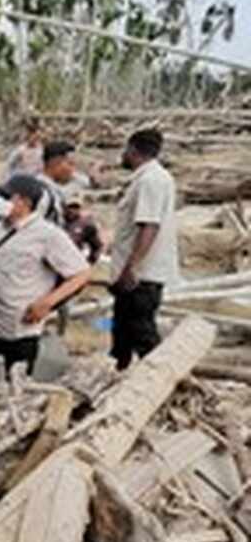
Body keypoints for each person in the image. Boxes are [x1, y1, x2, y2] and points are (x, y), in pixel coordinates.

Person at [0, 174, 91, 435]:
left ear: (25, 202)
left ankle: (11, 430)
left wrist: (47, 303)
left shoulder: (48, 236)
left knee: (16, 382)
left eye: (7, 197)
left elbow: (80, 274)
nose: (1, 202)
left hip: (22, 325)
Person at [110, 128, 178, 370]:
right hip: (134, 272)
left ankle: (161, 379)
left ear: (132, 150)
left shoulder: (151, 180)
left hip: (141, 276)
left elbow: (149, 225)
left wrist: (132, 267)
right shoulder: (150, 178)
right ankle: (119, 375)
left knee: (142, 333)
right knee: (123, 334)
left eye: (125, 150)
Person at [64, 192, 104, 264]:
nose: (72, 210)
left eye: (76, 207)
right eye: (70, 207)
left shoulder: (86, 225)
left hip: (73, 263)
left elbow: (97, 246)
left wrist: (89, 262)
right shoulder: (56, 221)